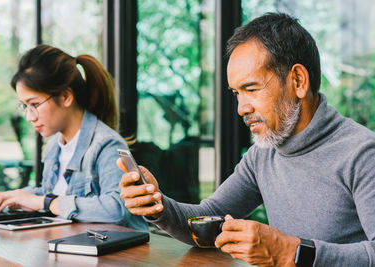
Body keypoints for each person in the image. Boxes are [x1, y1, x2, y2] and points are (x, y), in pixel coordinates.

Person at [118, 12, 375, 266]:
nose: (241, 108)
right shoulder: (263, 155)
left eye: (251, 89)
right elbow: (207, 218)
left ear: (298, 81)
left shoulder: (363, 154)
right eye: (236, 93)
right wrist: (158, 207)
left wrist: (292, 252)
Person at [0, 44, 148, 231]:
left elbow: (117, 209)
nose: (29, 116)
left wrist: (47, 203)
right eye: (24, 106)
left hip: (119, 256)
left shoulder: (106, 144)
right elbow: (51, 193)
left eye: (34, 104)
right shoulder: (54, 145)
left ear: (65, 96)